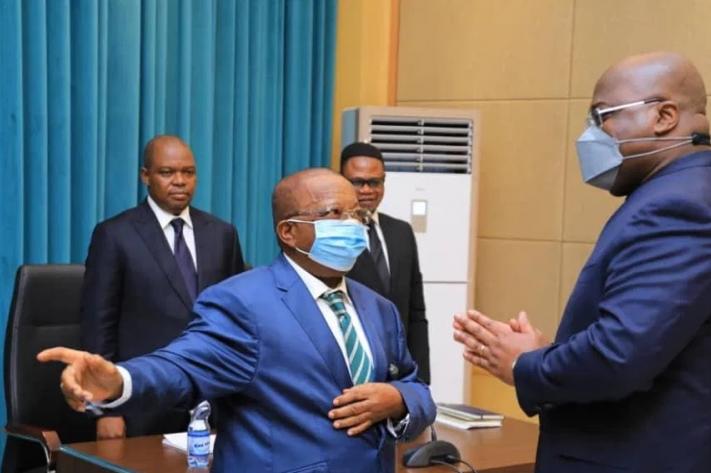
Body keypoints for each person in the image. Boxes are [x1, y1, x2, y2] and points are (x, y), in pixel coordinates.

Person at [40, 168, 436, 473]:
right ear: (289, 232)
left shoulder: (379, 307)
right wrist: (121, 382)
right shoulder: (243, 302)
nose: (353, 225)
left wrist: (400, 400)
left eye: (356, 214)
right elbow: (182, 367)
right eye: (336, 214)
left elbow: (413, 384)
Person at [453, 51, 711, 473]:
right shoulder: (678, 192)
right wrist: (551, 353)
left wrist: (523, 364)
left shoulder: (677, 206)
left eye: (601, 116)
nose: (589, 136)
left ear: (664, 116)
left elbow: (619, 355)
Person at [80, 135, 245, 439]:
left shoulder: (223, 234)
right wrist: (105, 408)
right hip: (141, 402)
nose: (179, 181)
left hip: (213, 399)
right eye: (167, 172)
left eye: (188, 172)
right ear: (146, 176)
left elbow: (237, 316)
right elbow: (98, 327)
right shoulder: (114, 235)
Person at [340, 142, 430, 384]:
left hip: (399, 368)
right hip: (354, 368)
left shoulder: (401, 231)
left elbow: (416, 311)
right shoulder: (333, 234)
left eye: (375, 182)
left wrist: (421, 378)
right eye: (358, 182)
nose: (367, 190)